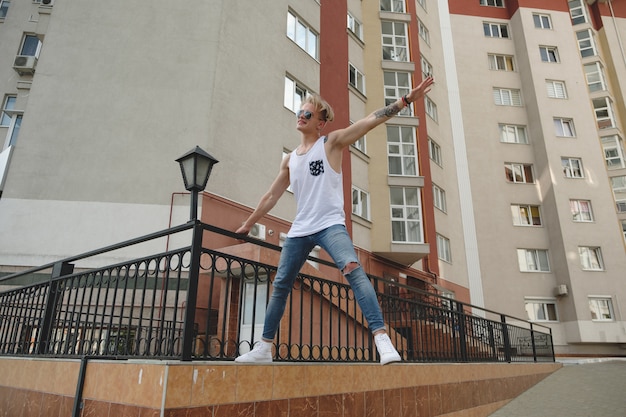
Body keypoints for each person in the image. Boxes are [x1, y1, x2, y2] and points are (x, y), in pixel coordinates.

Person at [235, 76, 435, 365]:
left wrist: (405, 100)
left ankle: (383, 340)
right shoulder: (290, 160)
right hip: (301, 229)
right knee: (280, 284)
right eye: (299, 112)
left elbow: (369, 121)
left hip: (330, 225)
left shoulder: (331, 143)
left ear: (320, 123)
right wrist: (248, 222)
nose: (300, 117)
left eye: (307, 114)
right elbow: (271, 195)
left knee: (353, 270)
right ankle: (264, 348)